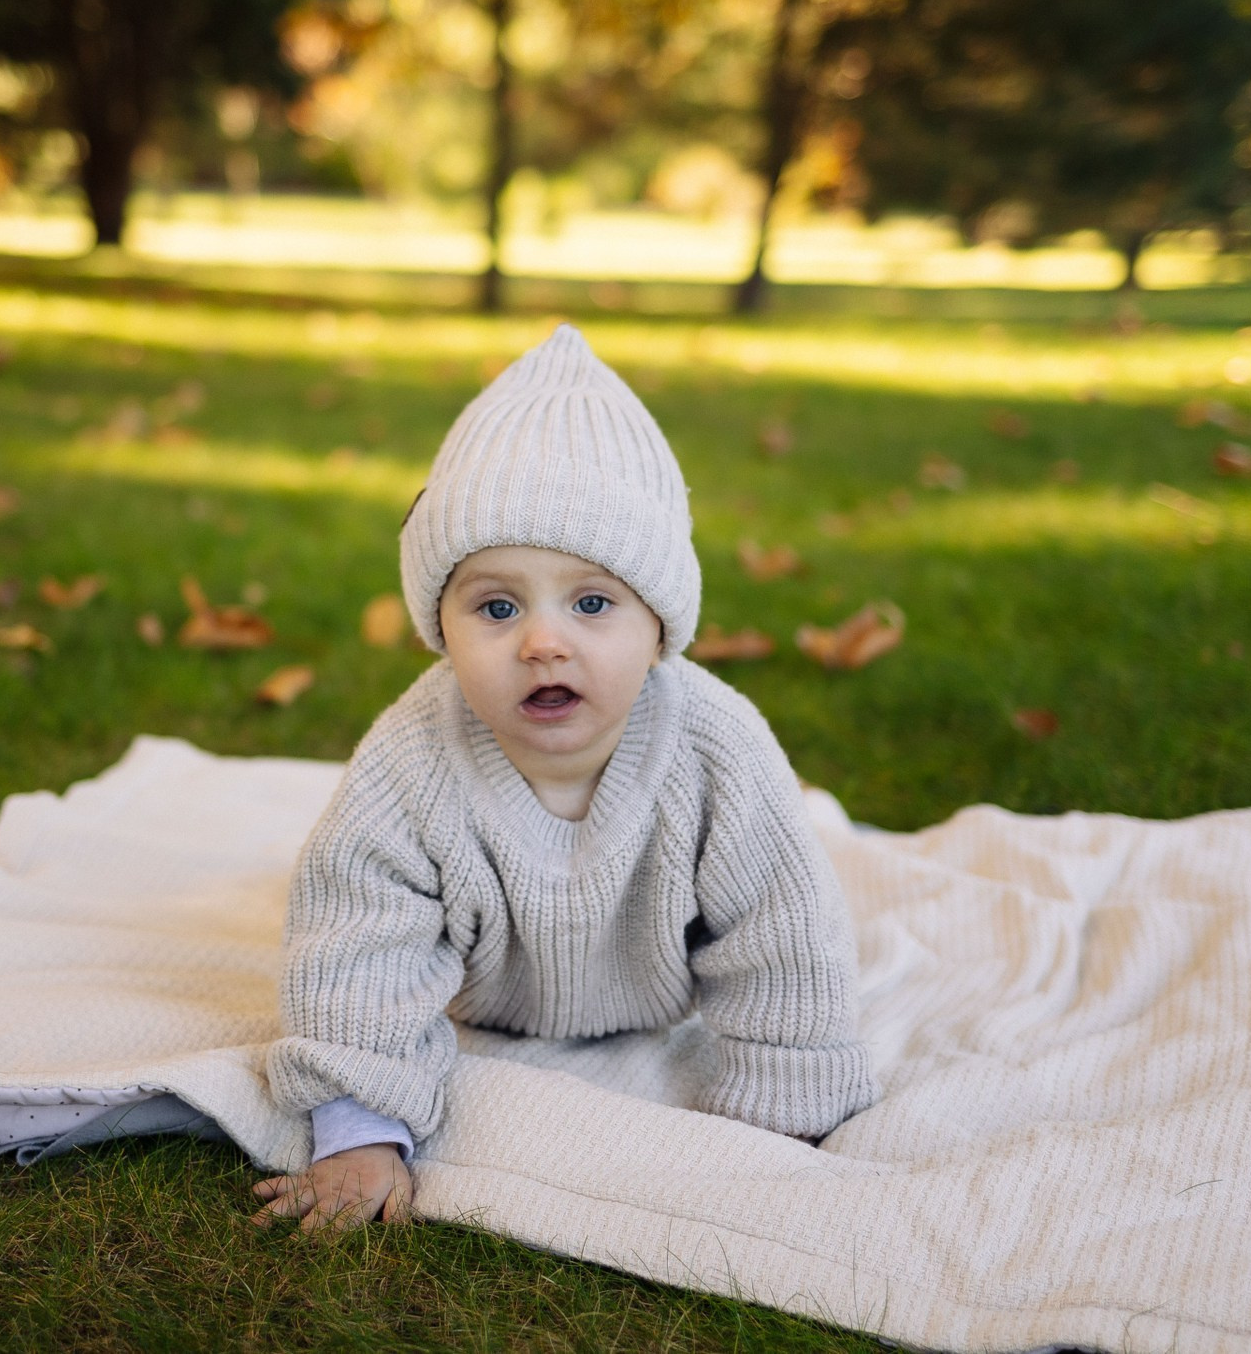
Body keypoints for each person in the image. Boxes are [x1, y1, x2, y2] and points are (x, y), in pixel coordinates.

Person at [251, 324, 878, 1233]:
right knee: (355, 917)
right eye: (497, 606)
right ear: (439, 625)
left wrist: (784, 1112)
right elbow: (358, 941)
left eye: (592, 602)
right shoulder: (411, 759)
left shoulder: (716, 750)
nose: (543, 641)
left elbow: (784, 936)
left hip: (656, 1000)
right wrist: (359, 1127)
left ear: (659, 624)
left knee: (790, 902)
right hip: (478, 997)